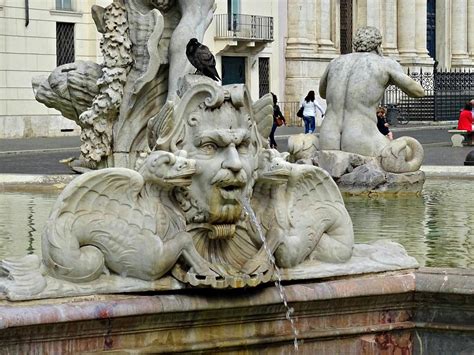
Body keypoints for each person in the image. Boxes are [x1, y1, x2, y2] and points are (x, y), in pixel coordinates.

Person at [319, 26, 425, 157]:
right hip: (360, 137)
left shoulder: (335, 62)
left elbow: (322, 93)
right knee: (408, 154)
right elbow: (418, 92)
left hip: (327, 137)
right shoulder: (384, 64)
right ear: (378, 46)